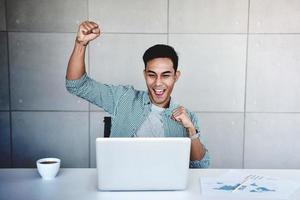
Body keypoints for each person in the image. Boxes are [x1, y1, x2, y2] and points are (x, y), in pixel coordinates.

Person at [66, 21, 209, 168]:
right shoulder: (123, 97)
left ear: (176, 76)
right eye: (152, 75)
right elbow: (76, 85)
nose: (158, 83)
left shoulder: (188, 118)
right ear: (144, 74)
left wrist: (191, 129)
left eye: (165, 75)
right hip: (122, 182)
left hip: (165, 186)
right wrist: (80, 44)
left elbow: (201, 167)